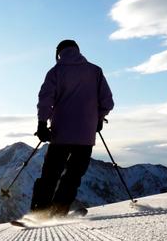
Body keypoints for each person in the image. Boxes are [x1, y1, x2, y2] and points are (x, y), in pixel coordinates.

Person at [30, 39, 114, 217]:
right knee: (73, 176)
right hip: (85, 136)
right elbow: (107, 101)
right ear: (77, 51)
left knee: (50, 174)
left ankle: (39, 212)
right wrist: (98, 118)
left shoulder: (56, 72)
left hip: (60, 134)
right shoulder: (95, 71)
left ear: (58, 54)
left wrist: (42, 123)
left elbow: (45, 99)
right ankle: (59, 211)